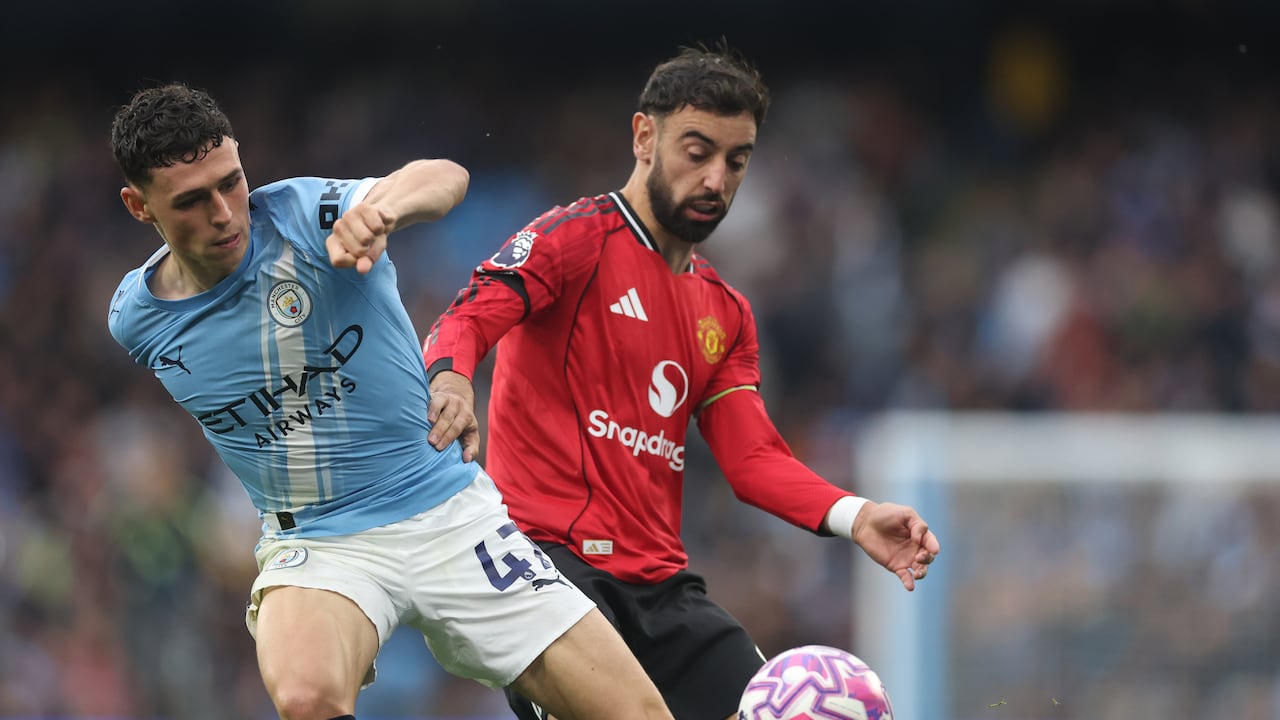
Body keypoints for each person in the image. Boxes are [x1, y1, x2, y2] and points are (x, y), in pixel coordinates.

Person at [107, 82, 673, 720]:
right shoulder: (137, 320)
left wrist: (382, 214)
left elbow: (444, 175)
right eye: (190, 201)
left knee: (636, 713)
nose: (225, 213)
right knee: (305, 697)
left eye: (230, 181)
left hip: (448, 512)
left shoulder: (305, 215)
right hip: (321, 542)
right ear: (138, 205)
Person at [422, 43, 942, 720]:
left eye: (736, 161)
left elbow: (754, 461)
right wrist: (454, 382)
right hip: (548, 577)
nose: (716, 179)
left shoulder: (724, 312)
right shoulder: (575, 240)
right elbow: (467, 317)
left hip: (664, 591)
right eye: (697, 151)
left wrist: (857, 514)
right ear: (644, 136)